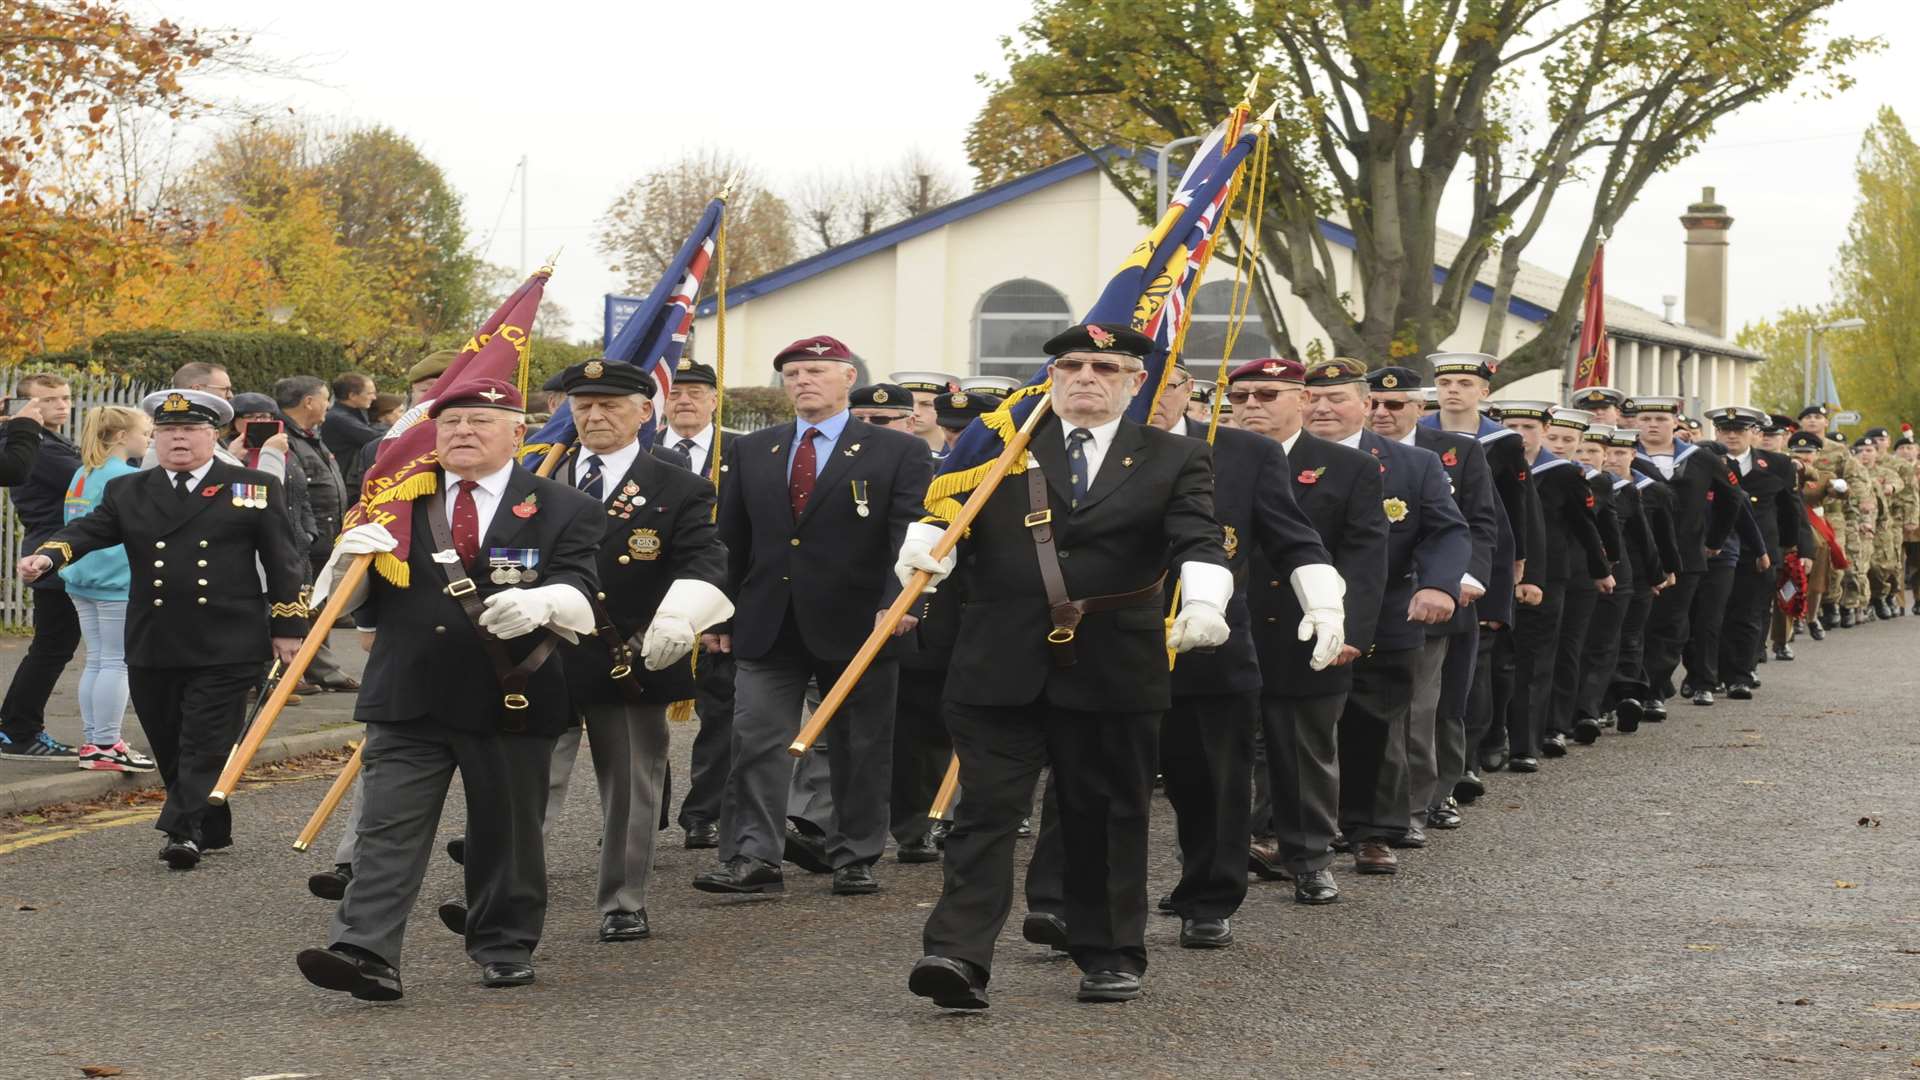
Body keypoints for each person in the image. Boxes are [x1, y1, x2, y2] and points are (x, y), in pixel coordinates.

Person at [904, 323, 1230, 1008]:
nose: (1087, 377)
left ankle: (1108, 953)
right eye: (1073, 365)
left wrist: (1204, 600)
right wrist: (922, 557)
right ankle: (956, 957)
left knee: (1106, 813)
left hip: (1114, 663)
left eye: (1106, 367)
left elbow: (1198, 536)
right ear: (1052, 378)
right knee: (986, 814)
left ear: (1136, 382)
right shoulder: (1001, 449)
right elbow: (943, 519)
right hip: (999, 660)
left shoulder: (1174, 456)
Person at [297, 377, 602, 999]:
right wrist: (343, 562)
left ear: (519, 433)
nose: (462, 432)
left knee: (506, 830)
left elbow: (583, 590)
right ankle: (365, 951)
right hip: (408, 691)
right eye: (451, 422)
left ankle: (504, 942)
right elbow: (342, 606)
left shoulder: (562, 505)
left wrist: (544, 600)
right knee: (387, 829)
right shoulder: (395, 502)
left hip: (510, 692)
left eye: (480, 422)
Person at [18, 389, 307, 865]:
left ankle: (181, 832)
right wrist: (49, 555)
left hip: (228, 637)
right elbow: (89, 531)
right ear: (155, 437)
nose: (179, 439)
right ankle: (209, 823)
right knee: (169, 738)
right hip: (155, 633)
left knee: (205, 738)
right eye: (169, 431)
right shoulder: (129, 489)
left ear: (212, 436)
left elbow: (284, 562)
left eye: (191, 430)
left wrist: (289, 626)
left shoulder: (249, 486)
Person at [695, 335, 932, 898]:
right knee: (754, 738)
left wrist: (902, 602)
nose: (803, 381)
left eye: (817, 371)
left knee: (860, 744)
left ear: (848, 378)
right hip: (767, 621)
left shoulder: (896, 451)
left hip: (862, 622)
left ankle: (854, 855)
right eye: (794, 373)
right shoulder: (756, 450)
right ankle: (753, 856)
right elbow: (732, 539)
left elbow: (912, 533)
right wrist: (717, 614)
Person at [540, 358, 730, 942]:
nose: (594, 416)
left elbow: (703, 559)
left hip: (629, 652)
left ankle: (624, 899)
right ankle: (503, 892)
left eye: (610, 406)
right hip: (539, 655)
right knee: (525, 782)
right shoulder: (539, 477)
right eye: (583, 406)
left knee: (629, 786)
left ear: (645, 412)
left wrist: (682, 613)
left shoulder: (680, 486)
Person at [1301, 358, 1468, 873]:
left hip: (1384, 613)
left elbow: (1447, 530)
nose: (1323, 408)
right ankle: (1283, 829)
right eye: (1314, 398)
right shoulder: (1277, 458)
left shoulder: (1411, 465)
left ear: (1366, 405)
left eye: (1338, 399)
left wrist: (1439, 585)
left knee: (1373, 726)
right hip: (1296, 612)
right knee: (1291, 729)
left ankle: (1371, 831)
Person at [1234, 358, 1385, 906]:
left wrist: (1352, 629)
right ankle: (1215, 863)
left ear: (1302, 399)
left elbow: (1365, 556)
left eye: (1268, 395)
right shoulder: (1208, 457)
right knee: (1218, 753)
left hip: (1307, 628)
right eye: (1243, 396)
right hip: (1227, 628)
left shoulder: (1347, 467)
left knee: (1304, 753)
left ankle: (1310, 859)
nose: (1253, 405)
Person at [1365, 366, 1496, 837]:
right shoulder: (1347, 453)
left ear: (1420, 408)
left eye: (1395, 404)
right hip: (1369, 597)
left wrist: (1459, 580)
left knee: (1426, 710)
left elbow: (1479, 524)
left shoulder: (1457, 452)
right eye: (1374, 403)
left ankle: (1422, 803)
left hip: (1436, 596)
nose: (1382, 413)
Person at [654, 358, 743, 850]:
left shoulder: (744, 450)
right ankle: (647, 813)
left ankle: (704, 813)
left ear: (714, 398)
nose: (684, 399)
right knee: (645, 714)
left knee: (721, 714)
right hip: (655, 603)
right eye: (675, 392)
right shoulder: (642, 453)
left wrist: (729, 608)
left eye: (695, 391)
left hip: (718, 602)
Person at [1625, 396, 1740, 720]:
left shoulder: (1701, 458)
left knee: (1670, 625)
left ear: (1674, 422)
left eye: (1660, 419)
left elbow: (1732, 499)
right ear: (1634, 422)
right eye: (1645, 418)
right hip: (1634, 556)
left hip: (1685, 555)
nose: (1651, 424)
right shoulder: (1623, 455)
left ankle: (1653, 690)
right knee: (1635, 625)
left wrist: (1715, 540)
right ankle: (1627, 689)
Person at [61, 405, 156, 772]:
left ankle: (94, 741)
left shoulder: (84, 472)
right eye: (144, 432)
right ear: (121, 437)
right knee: (117, 661)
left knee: (98, 659)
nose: (148, 439)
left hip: (81, 576)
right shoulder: (125, 477)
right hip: (116, 579)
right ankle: (105, 743)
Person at [0, 372, 83, 761]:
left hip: (58, 549)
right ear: (25, 405)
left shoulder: (52, 441)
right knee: (52, 647)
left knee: (54, 646)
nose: (61, 405)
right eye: (49, 400)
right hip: (53, 551)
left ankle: (17, 726)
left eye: (65, 398)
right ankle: (18, 729)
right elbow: (87, 480)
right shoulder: (41, 447)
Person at [274, 375, 359, 694]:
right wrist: (309, 533)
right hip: (306, 538)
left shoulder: (308, 436)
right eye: (325, 398)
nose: (329, 406)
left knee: (315, 607)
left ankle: (312, 669)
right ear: (308, 401)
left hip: (323, 536)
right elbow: (296, 493)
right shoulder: (285, 438)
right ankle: (308, 670)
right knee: (299, 608)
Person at [890, 371, 964, 456]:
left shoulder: (959, 454)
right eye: (909, 404)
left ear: (944, 408)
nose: (915, 412)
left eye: (926, 404)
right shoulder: (888, 451)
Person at [322, 372, 380, 466]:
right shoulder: (340, 419)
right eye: (370, 393)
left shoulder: (352, 414)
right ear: (352, 396)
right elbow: (376, 438)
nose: (374, 397)